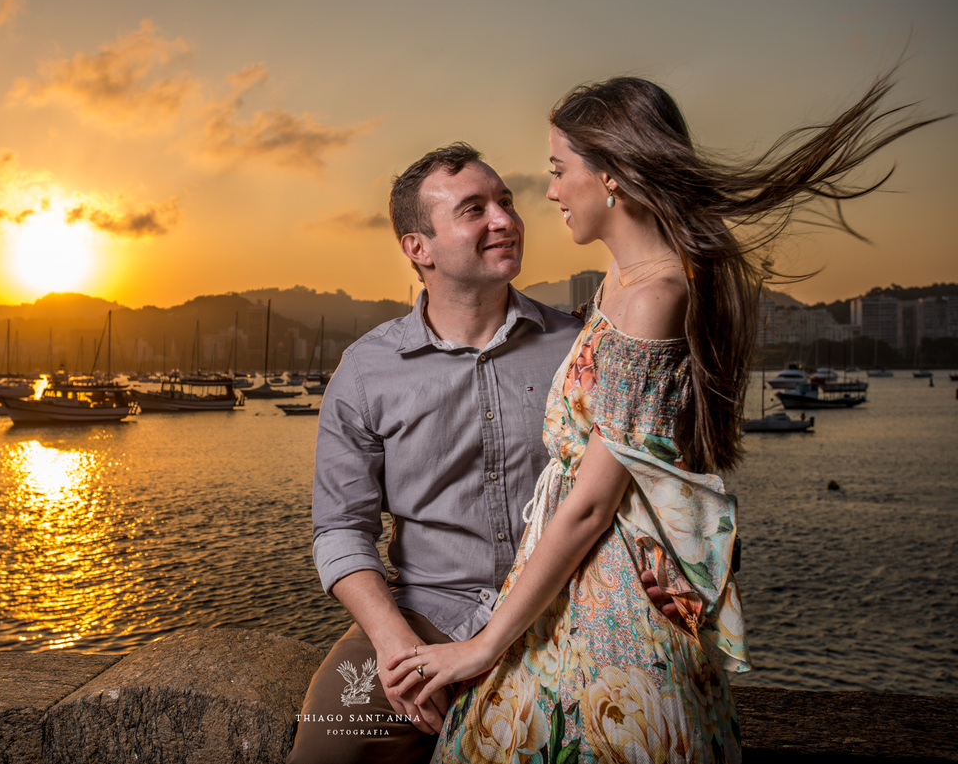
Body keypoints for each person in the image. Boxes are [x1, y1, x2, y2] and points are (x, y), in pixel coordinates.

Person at [385, 74, 945, 763]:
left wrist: (483, 642)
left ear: (612, 175)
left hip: (607, 604)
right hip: (576, 580)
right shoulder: (620, 282)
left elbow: (592, 505)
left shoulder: (654, 295)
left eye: (560, 169)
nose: (551, 190)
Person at [287, 143, 586, 764]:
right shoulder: (367, 371)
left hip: (568, 610)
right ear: (417, 248)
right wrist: (393, 643)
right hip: (427, 615)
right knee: (326, 753)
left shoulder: (578, 345)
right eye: (473, 209)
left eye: (505, 201)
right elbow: (340, 529)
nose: (503, 219)